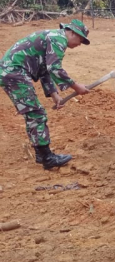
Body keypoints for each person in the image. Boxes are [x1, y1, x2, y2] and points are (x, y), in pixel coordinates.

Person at [0, 19, 92, 170]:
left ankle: (40, 154)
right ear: (72, 32)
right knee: (36, 114)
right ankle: (47, 158)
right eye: (80, 39)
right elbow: (55, 68)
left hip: (12, 72)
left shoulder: (52, 36)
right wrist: (76, 87)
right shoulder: (59, 39)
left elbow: (45, 71)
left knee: (33, 114)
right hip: (14, 73)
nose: (79, 44)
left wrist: (55, 96)